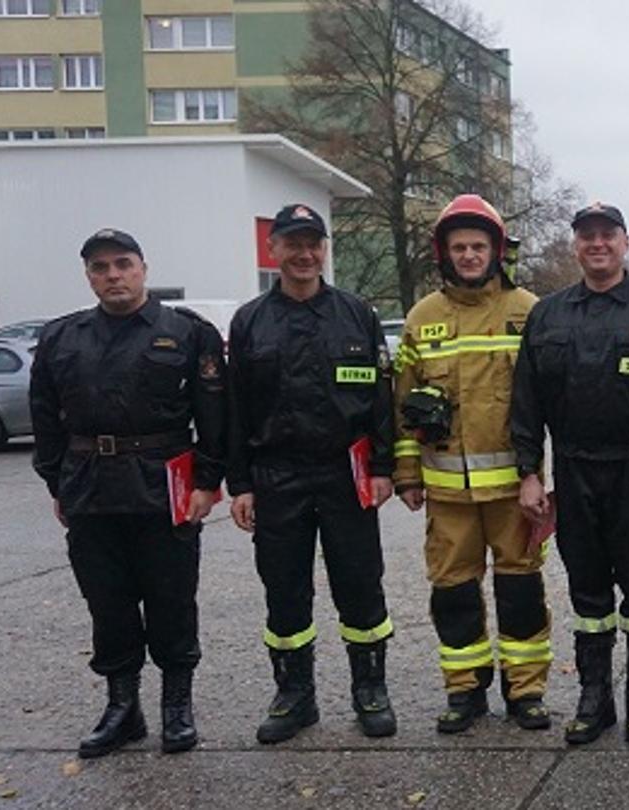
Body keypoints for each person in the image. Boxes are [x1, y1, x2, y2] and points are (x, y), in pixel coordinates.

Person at [30, 228, 226, 757]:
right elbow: (45, 418)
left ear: (143, 268)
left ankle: (176, 707)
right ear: (89, 276)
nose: (113, 275)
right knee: (108, 605)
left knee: (171, 600)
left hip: (164, 488)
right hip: (90, 490)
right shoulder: (61, 338)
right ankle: (123, 709)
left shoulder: (186, 332)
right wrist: (56, 482)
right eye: (100, 267)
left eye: (123, 264)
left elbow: (213, 416)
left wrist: (208, 481)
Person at [510, 202, 629, 745]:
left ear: (624, 241)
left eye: (607, 235)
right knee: (587, 591)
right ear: (575, 246)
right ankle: (595, 698)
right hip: (575, 469)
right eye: (587, 236)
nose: (597, 244)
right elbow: (526, 402)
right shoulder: (549, 314)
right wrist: (529, 472)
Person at [226, 204, 398, 742]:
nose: (304, 254)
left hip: (345, 472)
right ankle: (294, 696)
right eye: (292, 244)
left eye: (313, 243)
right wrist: (242, 485)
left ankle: (370, 689)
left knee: (360, 584)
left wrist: (383, 467)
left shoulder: (356, 315)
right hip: (277, 474)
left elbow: (380, 400)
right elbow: (234, 411)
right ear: (273, 250)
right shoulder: (250, 321)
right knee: (284, 590)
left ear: (324, 250)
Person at [392, 194, 551, 733]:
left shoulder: (528, 312)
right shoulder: (422, 318)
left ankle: (526, 691)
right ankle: (465, 690)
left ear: (496, 250)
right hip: (446, 492)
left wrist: (543, 475)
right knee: (453, 590)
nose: (468, 255)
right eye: (458, 246)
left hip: (514, 490)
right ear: (444, 252)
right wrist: (408, 474)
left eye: (478, 245)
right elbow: (404, 404)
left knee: (521, 589)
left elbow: (550, 401)